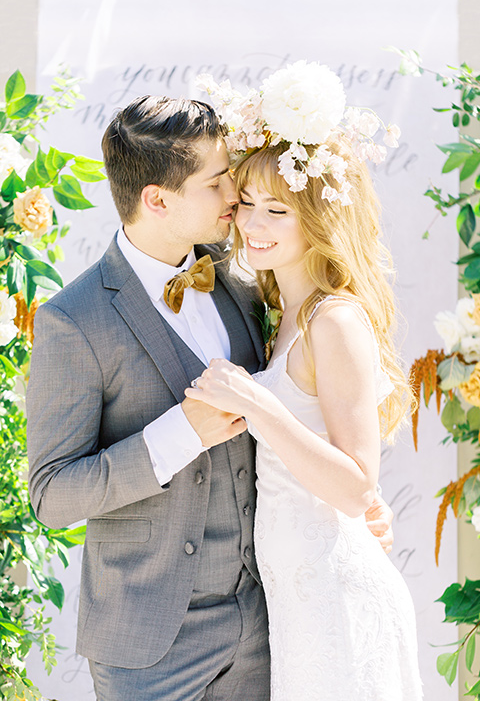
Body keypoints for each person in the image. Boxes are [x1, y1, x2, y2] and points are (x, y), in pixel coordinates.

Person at [27, 91, 394, 701]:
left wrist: (355, 506)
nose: (236, 200)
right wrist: (178, 435)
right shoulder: (74, 320)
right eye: (219, 182)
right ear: (157, 199)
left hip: (267, 625)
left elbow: (315, 407)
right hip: (148, 645)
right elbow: (52, 496)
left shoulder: (244, 279)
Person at [186, 63, 423, 700]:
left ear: (315, 218)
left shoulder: (334, 317)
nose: (253, 226)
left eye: (277, 211)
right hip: (297, 604)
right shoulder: (281, 315)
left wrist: (257, 406)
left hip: (339, 595)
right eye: (247, 208)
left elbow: (355, 485)